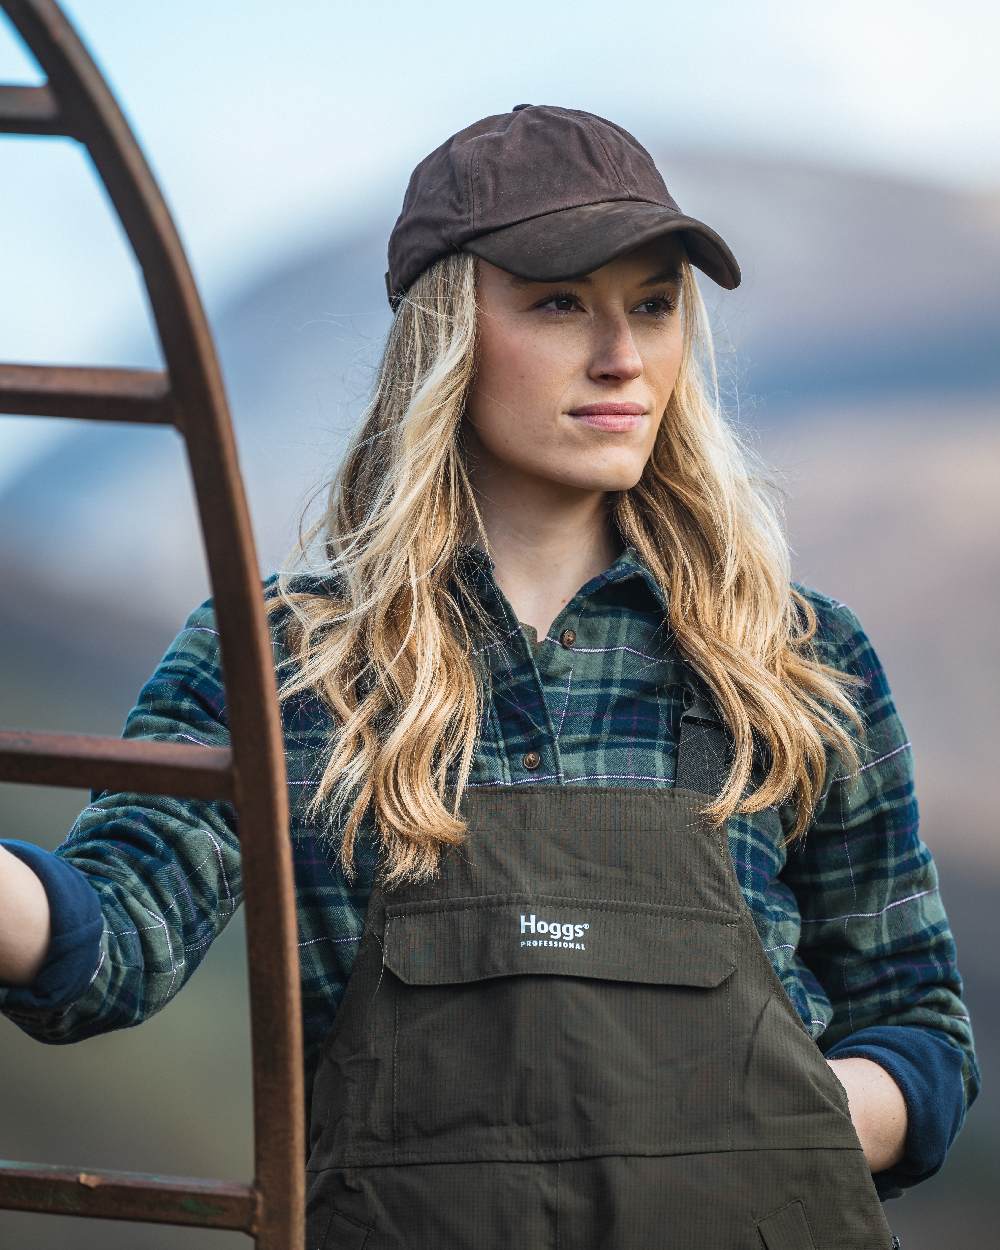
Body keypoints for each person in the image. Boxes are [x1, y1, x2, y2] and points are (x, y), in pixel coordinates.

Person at [0, 105, 979, 1249]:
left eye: (652, 305)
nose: (622, 355)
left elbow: (919, 1033)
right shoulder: (285, 657)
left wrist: (768, 1117)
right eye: (560, 301)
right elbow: (114, 939)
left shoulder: (798, 660)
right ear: (448, 332)